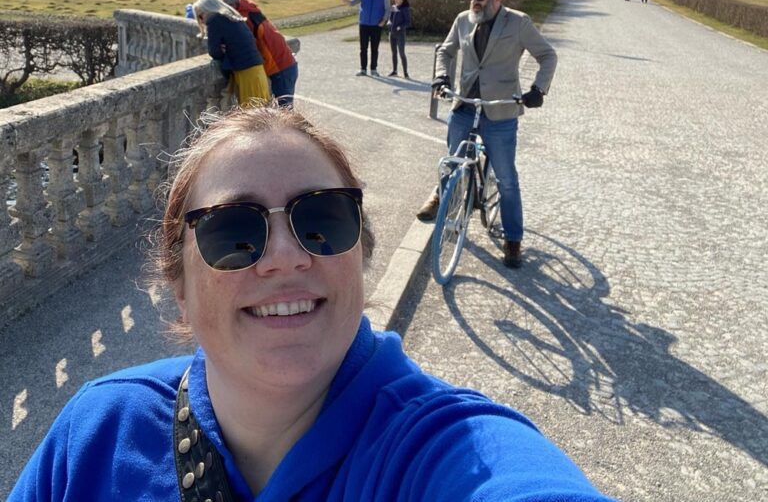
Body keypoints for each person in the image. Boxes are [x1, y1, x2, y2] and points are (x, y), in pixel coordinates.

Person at [10, 105, 616, 501]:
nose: (284, 257)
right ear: (179, 288)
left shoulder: (446, 453)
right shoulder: (98, 435)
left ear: (360, 253)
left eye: (322, 219)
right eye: (232, 230)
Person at [416, 0, 557, 270]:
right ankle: (442, 196)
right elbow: (446, 50)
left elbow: (547, 55)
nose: (474, 2)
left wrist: (538, 90)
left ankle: (513, 238)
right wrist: (441, 76)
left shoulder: (518, 22)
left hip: (501, 109)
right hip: (465, 103)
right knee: (451, 160)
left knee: (506, 179)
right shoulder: (463, 19)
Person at [220, 0, 299, 108]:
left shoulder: (245, 19)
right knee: (283, 110)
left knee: (284, 111)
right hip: (285, 64)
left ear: (233, 5)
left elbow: (244, 45)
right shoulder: (252, 11)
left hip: (280, 68)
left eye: (226, 9)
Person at [192, 0, 270, 107]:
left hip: (246, 73)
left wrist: (223, 51)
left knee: (251, 113)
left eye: (200, 16)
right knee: (260, 112)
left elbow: (214, 52)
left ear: (208, 10)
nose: (202, 20)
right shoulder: (231, 16)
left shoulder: (214, 19)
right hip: (256, 70)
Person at [339, 0, 390, 77]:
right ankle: (363, 69)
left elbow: (387, 9)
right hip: (364, 24)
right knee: (363, 48)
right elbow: (352, 3)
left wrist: (383, 21)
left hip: (376, 25)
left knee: (374, 48)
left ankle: (374, 69)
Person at [387, 0, 412, 78]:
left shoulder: (405, 9)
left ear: (402, 0)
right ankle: (394, 71)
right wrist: (389, 23)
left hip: (400, 34)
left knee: (402, 53)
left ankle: (405, 72)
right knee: (394, 52)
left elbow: (408, 22)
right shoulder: (393, 7)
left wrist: (400, 27)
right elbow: (390, 18)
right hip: (392, 33)